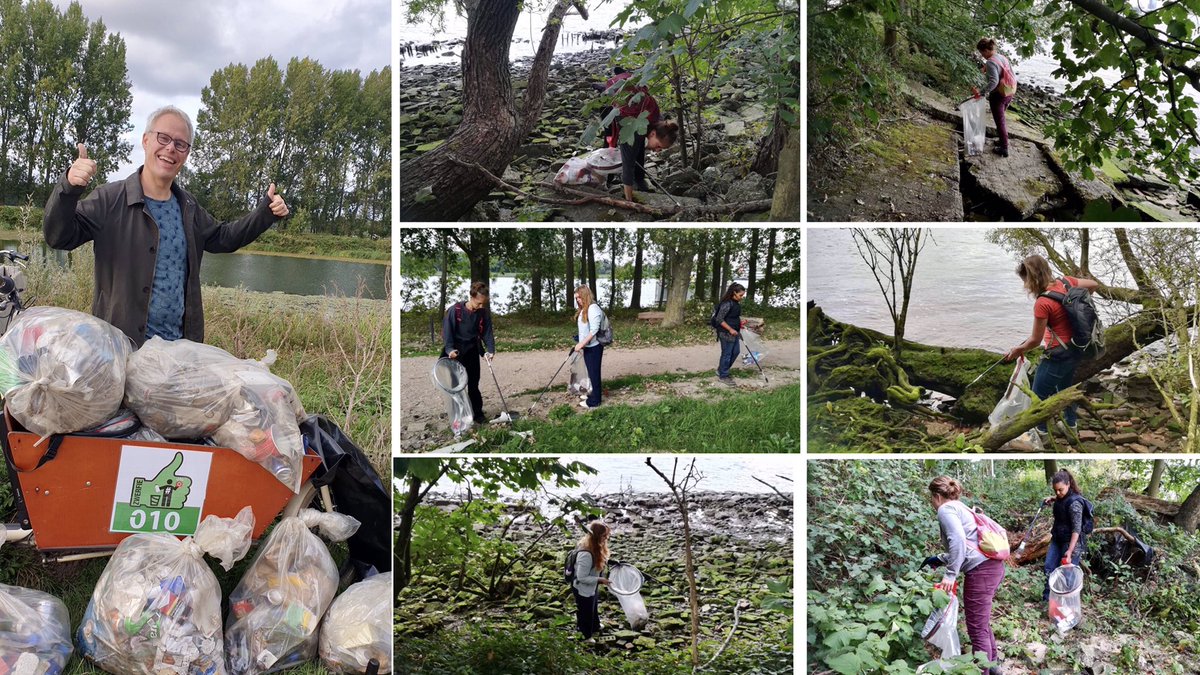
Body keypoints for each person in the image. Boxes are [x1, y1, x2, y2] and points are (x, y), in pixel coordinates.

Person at [43, 105, 289, 347]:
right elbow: (59, 236)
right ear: (146, 140)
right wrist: (68, 188)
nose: (171, 148)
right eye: (163, 138)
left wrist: (265, 213)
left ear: (186, 154)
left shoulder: (188, 207)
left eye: (180, 144)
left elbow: (224, 238)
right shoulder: (110, 200)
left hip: (178, 354)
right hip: (122, 350)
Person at [1003, 255, 1100, 436]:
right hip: (1077, 347)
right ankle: (1071, 427)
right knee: (1066, 390)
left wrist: (1018, 350)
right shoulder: (1067, 282)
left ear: (1031, 279)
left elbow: (1035, 340)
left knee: (1038, 396)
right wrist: (1078, 304)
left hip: (1057, 354)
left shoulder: (1043, 303)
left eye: (1025, 280)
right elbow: (1093, 284)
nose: (1024, 285)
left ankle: (1041, 434)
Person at [922, 476, 1005, 675]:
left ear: (936, 496)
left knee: (976, 629)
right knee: (981, 623)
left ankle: (983, 672)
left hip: (981, 572)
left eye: (931, 500)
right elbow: (969, 544)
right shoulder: (961, 507)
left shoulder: (945, 509)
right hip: (992, 567)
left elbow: (958, 540)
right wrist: (940, 558)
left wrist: (950, 575)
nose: (932, 504)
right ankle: (994, 669)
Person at [598, 69, 680, 201]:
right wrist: (630, 201)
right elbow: (628, 165)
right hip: (611, 102)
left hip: (628, 94)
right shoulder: (635, 131)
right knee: (610, 142)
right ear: (653, 133)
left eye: (661, 149)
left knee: (639, 146)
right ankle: (607, 180)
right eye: (659, 146)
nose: (657, 151)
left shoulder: (658, 120)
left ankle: (640, 180)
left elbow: (639, 148)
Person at [442, 282, 496, 425]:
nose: (481, 306)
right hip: (455, 352)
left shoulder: (483, 313)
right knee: (456, 386)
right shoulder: (455, 310)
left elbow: (487, 333)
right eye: (478, 303)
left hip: (472, 350)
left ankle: (477, 414)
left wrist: (490, 350)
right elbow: (447, 332)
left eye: (483, 304)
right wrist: (449, 349)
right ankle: (458, 416)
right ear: (471, 297)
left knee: (473, 384)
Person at [1042, 469, 1092, 602]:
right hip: (1057, 538)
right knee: (1049, 567)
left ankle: (1065, 605)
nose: (1058, 493)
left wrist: (1069, 552)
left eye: (1060, 490)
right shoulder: (1060, 497)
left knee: (1067, 575)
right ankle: (1047, 600)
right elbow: (1061, 499)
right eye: (1055, 491)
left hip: (1072, 543)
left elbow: (1076, 530)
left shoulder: (1075, 504)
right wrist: (1052, 498)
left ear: (1068, 484)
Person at [971, 38, 1019, 157]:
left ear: (987, 50)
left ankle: (1004, 148)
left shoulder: (991, 62)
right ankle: (1003, 140)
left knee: (1000, 122)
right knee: (1001, 119)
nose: (982, 56)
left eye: (982, 53)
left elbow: (994, 82)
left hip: (999, 95)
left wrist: (981, 93)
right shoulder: (1002, 57)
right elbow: (1008, 73)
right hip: (1010, 91)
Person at [572, 520, 612, 641]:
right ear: (596, 536)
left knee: (593, 605)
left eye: (607, 535)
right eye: (604, 536)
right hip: (581, 587)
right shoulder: (586, 554)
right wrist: (600, 579)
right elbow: (581, 577)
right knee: (585, 610)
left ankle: (595, 626)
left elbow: (599, 563)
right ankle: (585, 635)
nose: (606, 538)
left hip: (591, 585)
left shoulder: (596, 547)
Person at [573, 285, 604, 409]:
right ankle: (592, 394)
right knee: (591, 373)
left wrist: (582, 343)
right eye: (576, 298)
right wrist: (579, 339)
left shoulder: (593, 308)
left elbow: (594, 330)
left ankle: (595, 401)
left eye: (579, 297)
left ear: (585, 296)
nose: (578, 300)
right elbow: (585, 328)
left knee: (594, 373)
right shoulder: (584, 309)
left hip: (594, 347)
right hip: (587, 346)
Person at [712, 283, 747, 386]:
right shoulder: (727, 303)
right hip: (725, 333)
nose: (741, 297)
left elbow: (732, 317)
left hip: (735, 332)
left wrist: (740, 324)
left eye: (743, 295)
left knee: (735, 352)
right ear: (734, 293)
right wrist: (730, 329)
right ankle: (723, 375)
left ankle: (721, 370)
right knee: (727, 354)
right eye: (740, 295)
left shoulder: (736, 303)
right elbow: (719, 319)